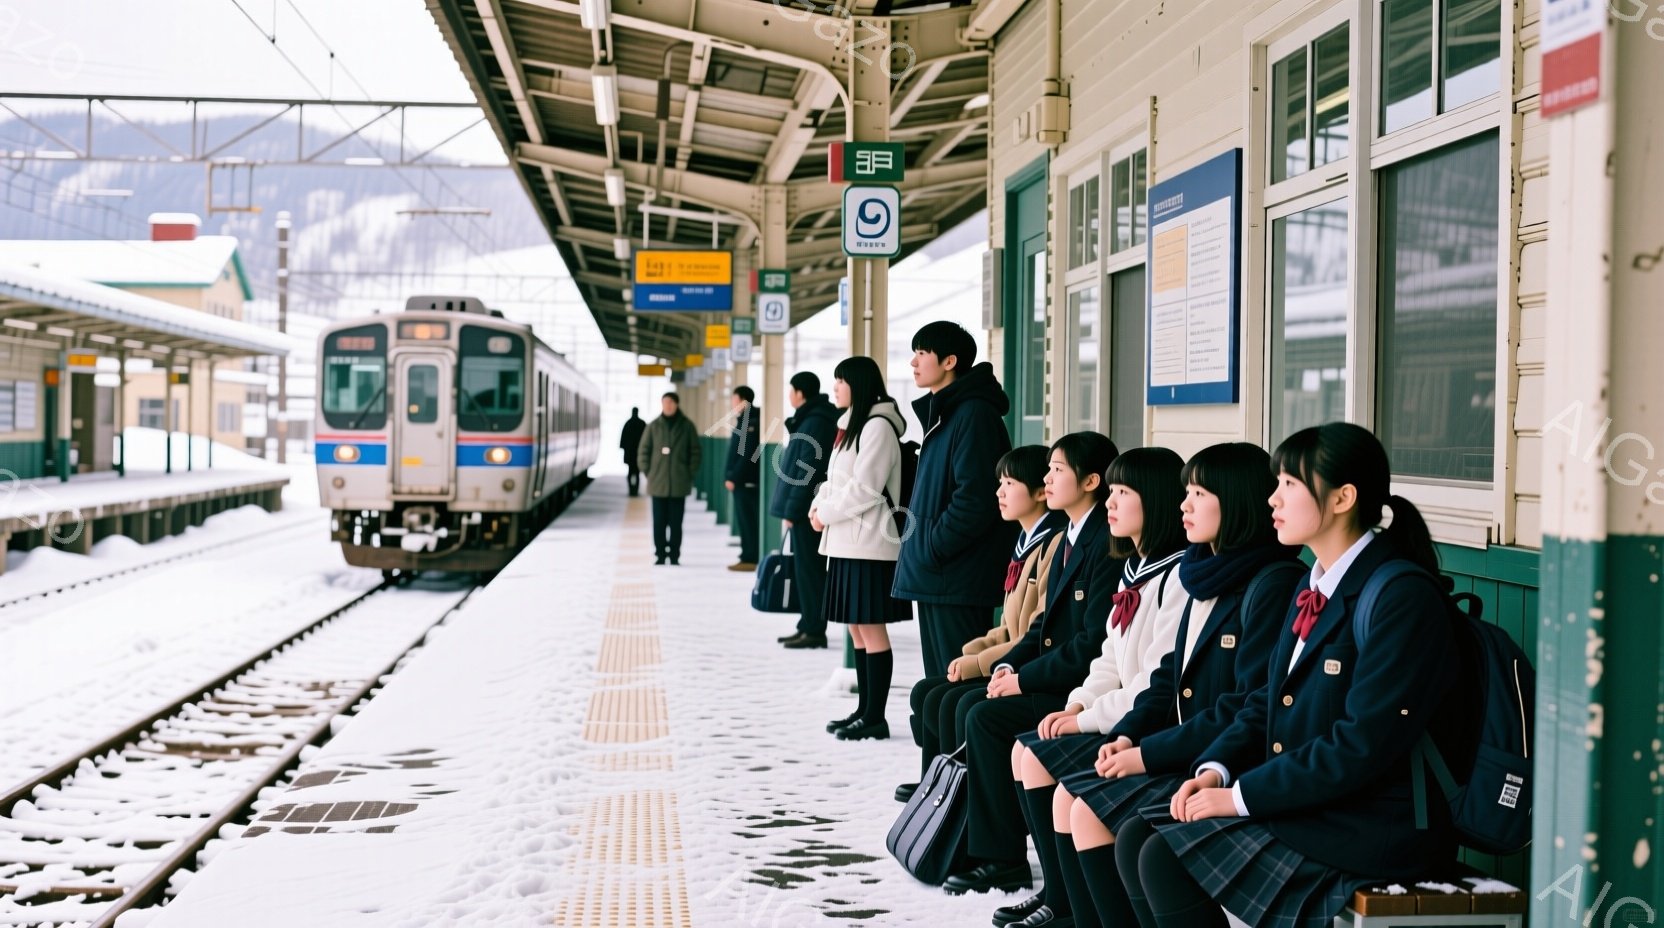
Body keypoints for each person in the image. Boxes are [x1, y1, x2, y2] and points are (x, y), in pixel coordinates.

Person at [1121, 422, 1464, 928]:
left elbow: (1361, 744)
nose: (1273, 499)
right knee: (1137, 836)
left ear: (1343, 497)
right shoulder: (1313, 580)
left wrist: (1239, 796)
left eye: (1289, 485)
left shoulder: (1398, 596)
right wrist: (1216, 768)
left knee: (1162, 857)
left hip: (1373, 825)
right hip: (1318, 802)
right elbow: (1266, 698)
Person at [1024, 443, 1303, 928]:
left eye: (1199, 493)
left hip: (1224, 758)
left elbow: (1243, 706)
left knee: (1104, 819)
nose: (1184, 506)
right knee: (1073, 796)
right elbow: (1168, 675)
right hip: (1184, 744)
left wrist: (1144, 751)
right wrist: (1128, 735)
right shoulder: (1202, 571)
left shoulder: (1269, 583)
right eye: (1185, 493)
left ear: (1235, 500)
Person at [991, 447, 1190, 926]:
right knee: (1031, 749)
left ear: (1157, 500)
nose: (1112, 503)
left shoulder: (1178, 576)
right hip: (1115, 712)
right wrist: (1078, 703)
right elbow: (1107, 656)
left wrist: (1084, 718)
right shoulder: (1133, 568)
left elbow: (1151, 681)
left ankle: (1073, 907)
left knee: (1048, 769)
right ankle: (1057, 895)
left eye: (1124, 493)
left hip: (1145, 726)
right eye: (1113, 491)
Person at [939, 432, 1120, 896]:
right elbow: (1041, 626)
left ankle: (1002, 858)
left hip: (1080, 690)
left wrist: (1023, 679)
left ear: (1091, 481)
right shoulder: (1070, 536)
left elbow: (1089, 643)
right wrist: (1008, 667)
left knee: (983, 716)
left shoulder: (1103, 542)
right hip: (1057, 674)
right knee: (967, 704)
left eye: (1058, 470)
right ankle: (969, 836)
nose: (1048, 478)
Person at [899, 445, 1066, 803]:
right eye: (999, 482)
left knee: (955, 704)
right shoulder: (1025, 541)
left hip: (1031, 668)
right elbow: (1007, 627)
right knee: (928, 692)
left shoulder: (1053, 546)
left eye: (1009, 483)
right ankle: (937, 786)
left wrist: (977, 663)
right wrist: (969, 653)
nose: (999, 492)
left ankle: (959, 800)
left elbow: (1033, 633)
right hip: (1014, 658)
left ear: (1040, 492)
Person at [893, 321, 1016, 678]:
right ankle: (938, 738)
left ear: (949, 361)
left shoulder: (974, 414)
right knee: (940, 681)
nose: (913, 363)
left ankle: (956, 738)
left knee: (956, 679)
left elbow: (976, 498)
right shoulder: (947, 412)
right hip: (940, 572)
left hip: (956, 575)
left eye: (921, 353)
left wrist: (933, 546)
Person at [810, 356, 912, 741]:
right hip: (847, 541)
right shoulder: (852, 427)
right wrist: (817, 506)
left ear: (859, 384)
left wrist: (827, 513)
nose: (834, 388)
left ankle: (876, 716)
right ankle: (863, 710)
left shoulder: (878, 427)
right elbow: (835, 479)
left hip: (869, 543)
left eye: (840, 381)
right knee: (856, 627)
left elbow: (865, 488)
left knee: (871, 627)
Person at [769, 372, 840, 649]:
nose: (789, 395)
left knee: (810, 571)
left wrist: (793, 509)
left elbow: (807, 472)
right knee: (804, 571)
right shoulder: (810, 419)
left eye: (791, 390)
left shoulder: (815, 422)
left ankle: (814, 629)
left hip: (807, 510)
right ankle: (806, 624)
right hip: (804, 509)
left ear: (800, 393)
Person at [637, 392, 700, 566]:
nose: (668, 406)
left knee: (675, 523)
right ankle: (660, 554)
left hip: (679, 484)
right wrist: (648, 472)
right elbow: (643, 451)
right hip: (657, 483)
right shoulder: (653, 426)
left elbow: (695, 452)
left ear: (677, 404)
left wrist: (689, 473)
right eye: (665, 403)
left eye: (671, 402)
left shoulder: (687, 426)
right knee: (659, 522)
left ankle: (674, 555)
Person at [725, 385, 761, 572]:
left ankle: (750, 556)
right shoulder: (745, 420)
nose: (733, 403)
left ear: (742, 400)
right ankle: (746, 554)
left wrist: (733, 477)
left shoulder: (750, 422)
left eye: (734, 399)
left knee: (748, 521)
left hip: (746, 482)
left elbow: (746, 455)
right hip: (742, 481)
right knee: (745, 521)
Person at [620, 407, 646, 496]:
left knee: (630, 472)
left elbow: (623, 441)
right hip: (638, 454)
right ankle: (635, 490)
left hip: (630, 454)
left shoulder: (628, 423)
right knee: (637, 473)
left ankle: (631, 490)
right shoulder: (642, 424)